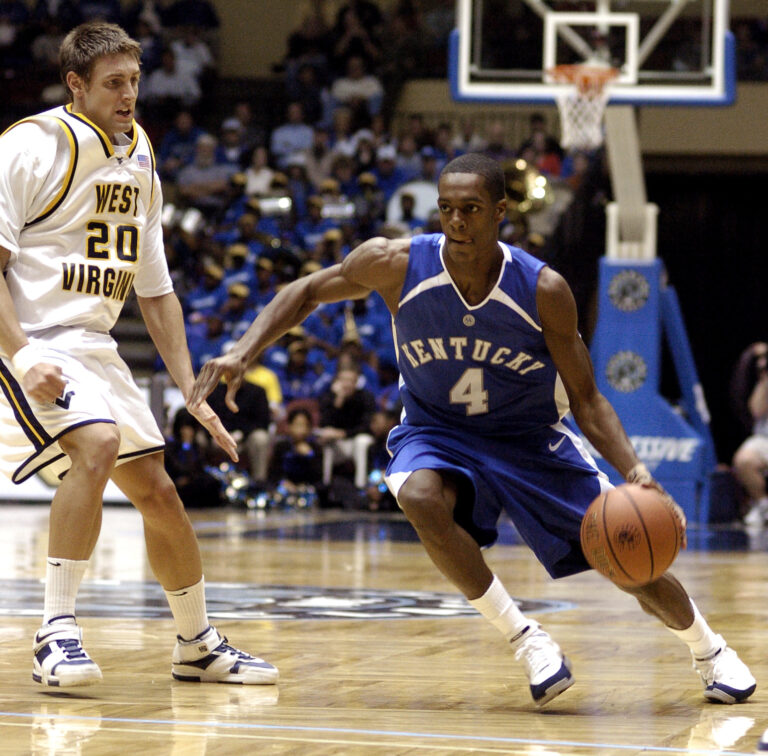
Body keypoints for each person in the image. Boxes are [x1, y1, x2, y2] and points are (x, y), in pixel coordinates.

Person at [189, 152, 755, 707]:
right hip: (437, 430)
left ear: (500, 211)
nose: (457, 221)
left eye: (471, 209)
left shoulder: (542, 289)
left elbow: (586, 398)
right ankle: (527, 640)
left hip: (531, 439)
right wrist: (243, 351)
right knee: (417, 494)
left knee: (627, 555)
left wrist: (636, 472)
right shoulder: (393, 263)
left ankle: (710, 651)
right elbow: (309, 291)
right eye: (446, 209)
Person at [0, 21, 277, 687]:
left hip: (96, 347)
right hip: (32, 342)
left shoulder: (141, 153)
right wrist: (19, 353)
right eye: (114, 83)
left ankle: (196, 644)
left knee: (158, 493)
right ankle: (55, 635)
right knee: (94, 446)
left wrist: (192, 391)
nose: (129, 95)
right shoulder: (29, 145)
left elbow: (156, 294)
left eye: (134, 81)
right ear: (76, 84)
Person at [730, 341, 768, 526]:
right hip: (764, 439)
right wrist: (765, 379)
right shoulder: (764, 381)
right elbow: (756, 410)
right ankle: (764, 506)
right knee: (744, 459)